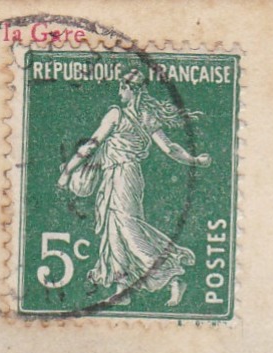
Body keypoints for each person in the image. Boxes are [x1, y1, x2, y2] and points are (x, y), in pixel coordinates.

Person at [55, 68, 212, 307]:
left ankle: (173, 276)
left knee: (128, 230)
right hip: (121, 176)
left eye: (122, 87)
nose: (120, 92)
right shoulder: (148, 118)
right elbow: (170, 149)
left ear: (132, 90)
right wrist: (194, 160)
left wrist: (68, 171)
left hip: (123, 176)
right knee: (114, 231)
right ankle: (122, 289)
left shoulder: (116, 115)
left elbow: (92, 145)